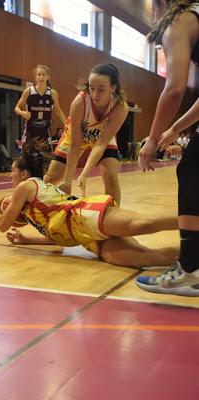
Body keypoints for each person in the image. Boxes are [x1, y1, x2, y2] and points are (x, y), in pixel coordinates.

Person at [0, 141, 179, 270]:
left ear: (24, 173)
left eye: (12, 171)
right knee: (145, 258)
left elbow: (2, 225)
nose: (10, 175)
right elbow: (59, 237)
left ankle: (191, 218)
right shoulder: (35, 209)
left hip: (84, 214)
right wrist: (27, 240)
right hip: (86, 238)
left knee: (141, 224)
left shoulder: (26, 186)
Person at [137, 0, 199, 296]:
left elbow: (174, 89)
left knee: (191, 171)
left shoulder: (179, 21)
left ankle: (190, 270)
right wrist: (174, 128)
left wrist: (151, 139)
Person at [44, 63, 128, 205]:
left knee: (111, 177)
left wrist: (84, 174)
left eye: (101, 89)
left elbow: (101, 144)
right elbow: (75, 145)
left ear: (113, 88)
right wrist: (67, 181)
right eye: (92, 88)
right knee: (52, 177)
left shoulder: (120, 107)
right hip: (75, 138)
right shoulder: (80, 102)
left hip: (100, 138)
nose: (95, 94)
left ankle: (113, 219)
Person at [14, 65, 66, 153]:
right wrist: (23, 113)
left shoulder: (52, 93)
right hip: (30, 132)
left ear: (48, 76)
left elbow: (58, 110)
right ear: (35, 77)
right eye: (39, 74)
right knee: (26, 160)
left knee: (47, 160)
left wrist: (67, 124)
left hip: (45, 132)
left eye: (43, 74)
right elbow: (16, 108)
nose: (41, 77)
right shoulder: (28, 91)